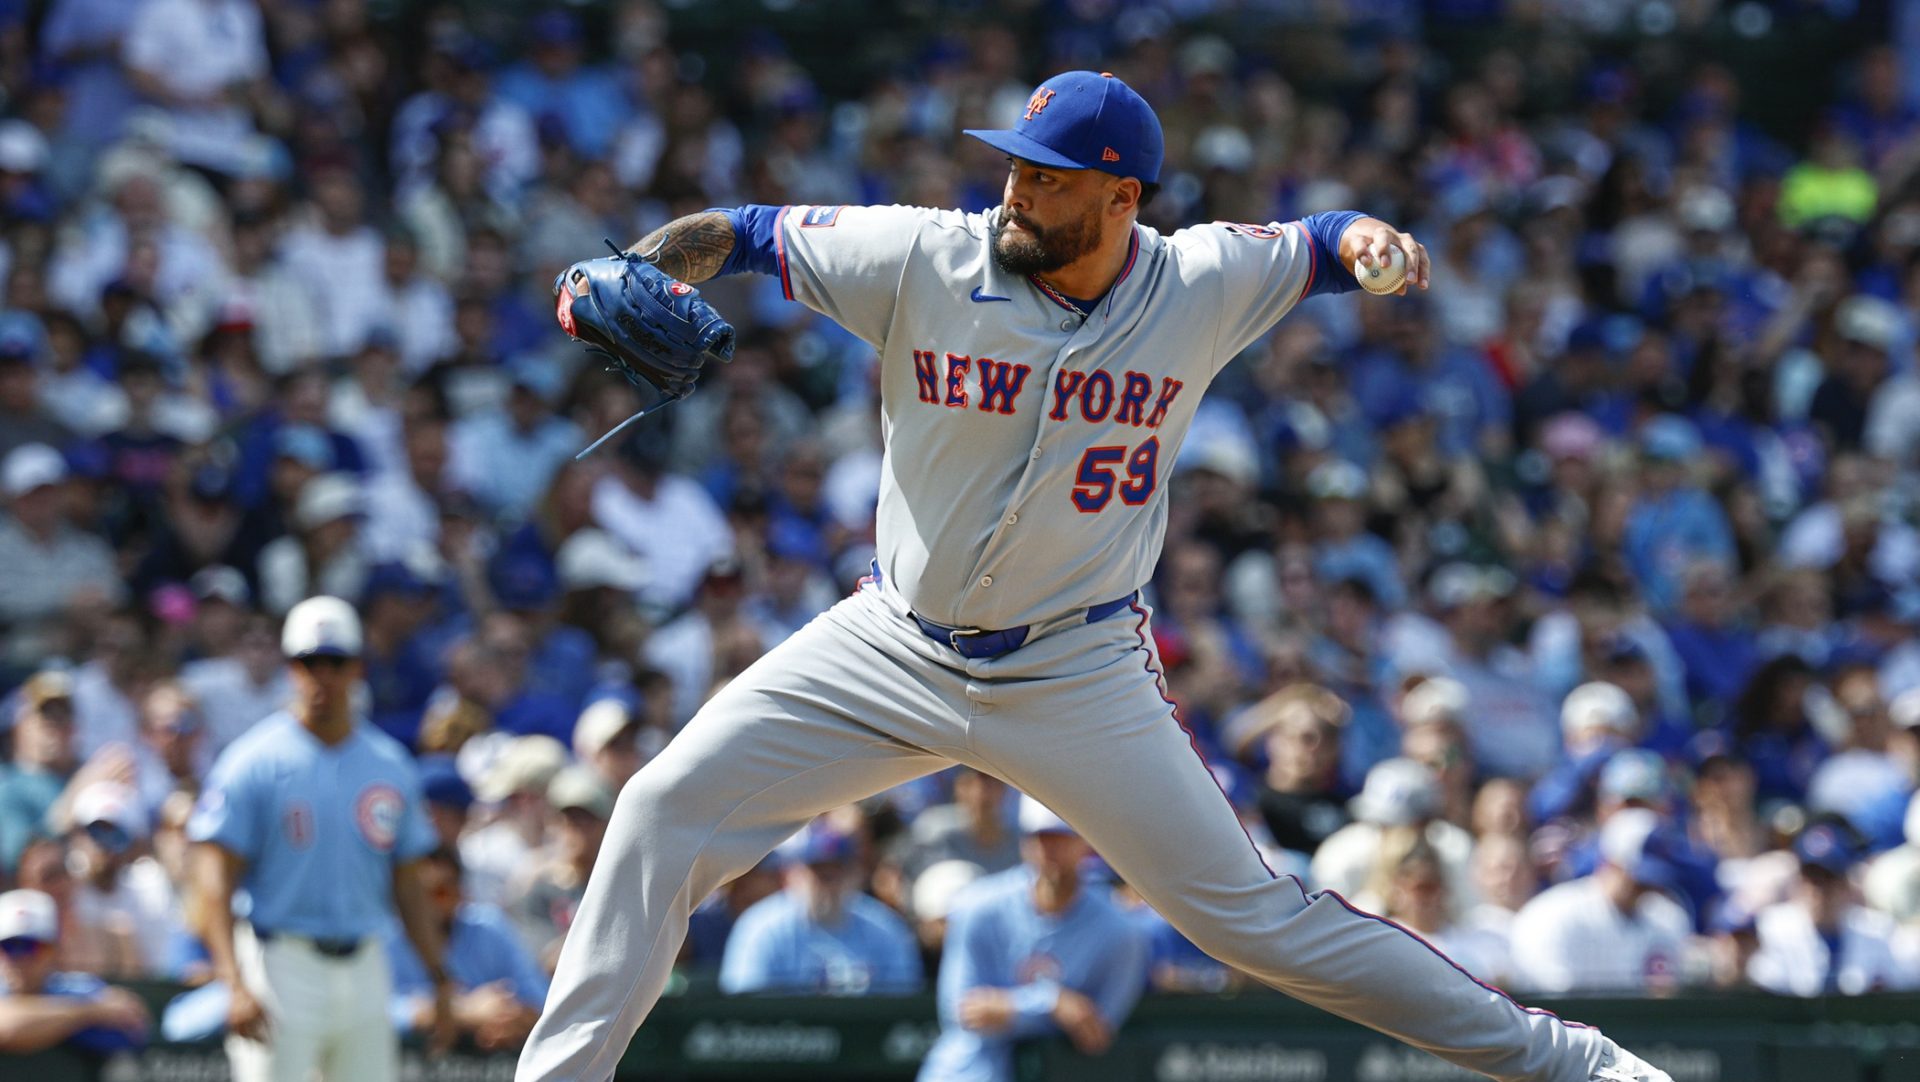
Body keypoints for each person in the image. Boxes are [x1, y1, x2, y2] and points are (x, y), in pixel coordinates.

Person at [519, 70, 1670, 1082]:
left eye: (1049, 177)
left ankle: (1572, 1063)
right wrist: (642, 264)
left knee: (1257, 921)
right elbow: (744, 231)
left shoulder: (1197, 280)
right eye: (1015, 167)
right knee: (659, 810)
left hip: (1076, 665)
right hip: (892, 643)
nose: (1017, 192)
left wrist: (1371, 238)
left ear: (1123, 198)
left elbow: (1321, 240)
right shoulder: (926, 253)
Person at [186, 595, 452, 1082]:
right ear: (291, 668)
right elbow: (214, 880)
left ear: (358, 669)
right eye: (310, 663)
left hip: (367, 960)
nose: (323, 676)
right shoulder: (252, 761)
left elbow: (409, 884)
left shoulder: (389, 765)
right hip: (279, 960)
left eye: (336, 662)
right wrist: (233, 981)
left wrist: (438, 976)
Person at [918, 795, 1147, 1082]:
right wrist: (1051, 1003)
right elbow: (961, 1013)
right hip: (969, 1072)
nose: (1049, 849)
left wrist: (1006, 1010)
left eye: (1062, 838)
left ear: (1085, 843)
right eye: (1039, 838)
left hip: (1060, 1072)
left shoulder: (1120, 931)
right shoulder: (977, 907)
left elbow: (1095, 1033)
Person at [719, 820, 923, 996]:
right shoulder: (762, 928)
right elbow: (746, 1007)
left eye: (837, 871)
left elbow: (902, 1003)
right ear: (792, 874)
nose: (829, 884)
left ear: (855, 874)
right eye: (819, 873)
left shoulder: (885, 928)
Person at [1507, 808, 1693, 995]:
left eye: (1651, 882)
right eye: (1637, 880)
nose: (1645, 888)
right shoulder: (1552, 916)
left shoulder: (1668, 918)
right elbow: (1554, 1002)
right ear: (1609, 863)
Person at [384, 846, 548, 1052]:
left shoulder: (489, 927)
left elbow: (539, 999)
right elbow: (379, 1014)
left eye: (441, 892)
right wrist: (465, 1012)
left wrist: (511, 1019)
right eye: (417, 895)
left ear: (461, 893)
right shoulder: (386, 937)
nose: (427, 905)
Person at [1749, 818, 1919, 995]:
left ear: (1844, 884)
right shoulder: (1772, 928)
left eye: (1827, 880)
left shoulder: (1876, 930)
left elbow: (1903, 985)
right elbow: (1764, 991)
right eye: (1810, 879)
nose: (1817, 891)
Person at [0, 888, 151, 1055]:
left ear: (54, 950)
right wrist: (90, 1013)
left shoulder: (76, 988)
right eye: (9, 946)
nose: (21, 957)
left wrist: (41, 1025)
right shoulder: (87, 1003)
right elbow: (6, 1029)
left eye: (32, 946)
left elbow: (130, 1024)